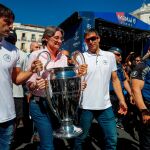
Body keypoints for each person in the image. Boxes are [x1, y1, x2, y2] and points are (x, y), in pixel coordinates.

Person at [26, 26, 87, 150]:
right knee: (48, 144)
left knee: (50, 139)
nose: (60, 41)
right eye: (56, 38)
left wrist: (77, 84)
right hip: (39, 105)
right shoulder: (36, 55)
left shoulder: (63, 58)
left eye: (61, 39)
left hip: (57, 105)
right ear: (47, 38)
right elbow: (29, 85)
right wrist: (36, 85)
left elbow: (64, 82)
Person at [73, 28, 127, 150]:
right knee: (80, 139)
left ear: (98, 39)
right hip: (85, 106)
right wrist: (79, 75)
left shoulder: (110, 56)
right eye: (88, 40)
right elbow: (75, 81)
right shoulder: (80, 57)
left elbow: (115, 79)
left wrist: (122, 100)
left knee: (112, 139)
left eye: (93, 38)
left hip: (105, 106)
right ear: (85, 41)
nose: (91, 41)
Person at [0, 4, 42, 150]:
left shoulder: (13, 50)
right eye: (7, 21)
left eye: (12, 22)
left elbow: (17, 79)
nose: (11, 26)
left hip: (7, 117)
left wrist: (31, 69)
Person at [131, 49, 150, 150]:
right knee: (147, 139)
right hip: (148, 106)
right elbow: (135, 88)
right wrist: (144, 110)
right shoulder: (143, 66)